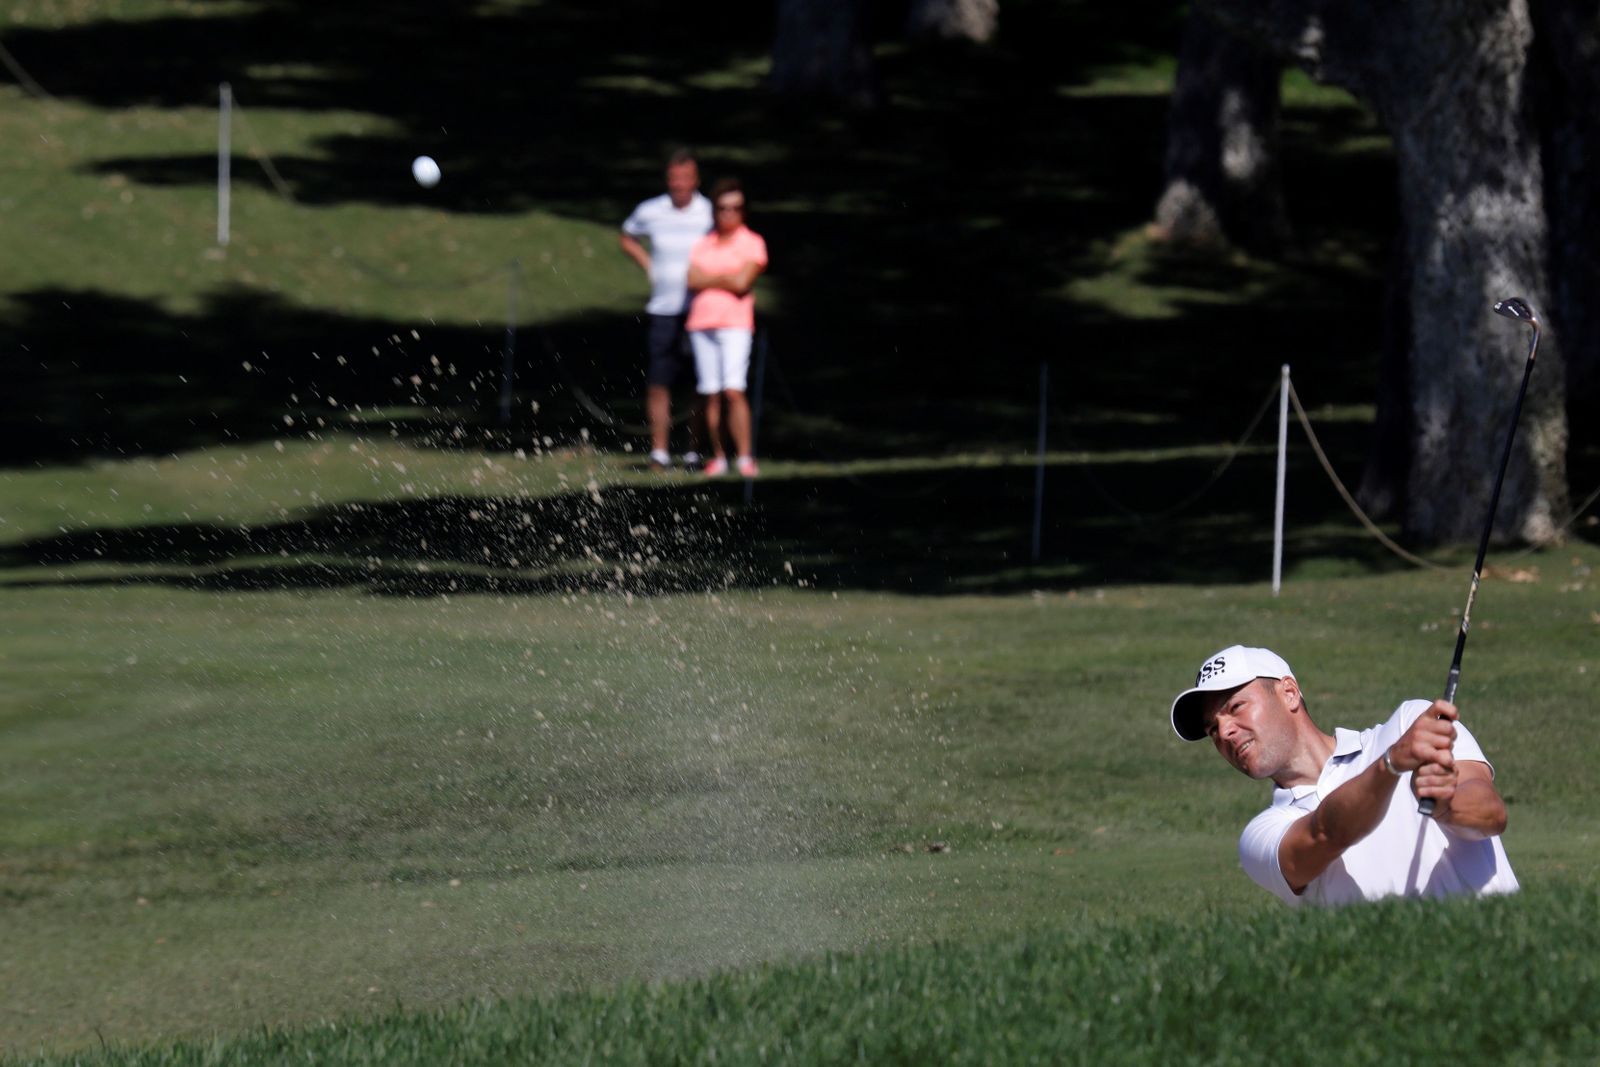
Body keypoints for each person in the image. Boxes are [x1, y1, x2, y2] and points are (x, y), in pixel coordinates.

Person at [1169, 644, 1518, 906]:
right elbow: (1326, 833)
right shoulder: (1261, 836)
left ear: (1289, 693)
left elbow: (1491, 815)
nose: (1225, 732)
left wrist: (1446, 805)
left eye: (1235, 707)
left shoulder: (1408, 722)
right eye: (1213, 729)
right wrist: (1392, 765)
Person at [620, 149, 713, 471]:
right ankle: (659, 451)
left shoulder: (708, 212)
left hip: (700, 308)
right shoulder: (652, 210)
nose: (679, 185)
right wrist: (647, 264)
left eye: (685, 179)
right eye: (674, 179)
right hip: (663, 309)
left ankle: (693, 450)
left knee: (699, 383)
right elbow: (628, 237)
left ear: (696, 180)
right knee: (660, 380)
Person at [685, 178, 768, 478]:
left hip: (735, 323)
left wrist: (713, 278)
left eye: (735, 208)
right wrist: (727, 278)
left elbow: (743, 281)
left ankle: (744, 456)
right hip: (702, 323)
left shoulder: (752, 242)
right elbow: (693, 279)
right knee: (711, 391)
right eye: (722, 208)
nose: (728, 214)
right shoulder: (703, 243)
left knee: (733, 390)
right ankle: (719, 456)